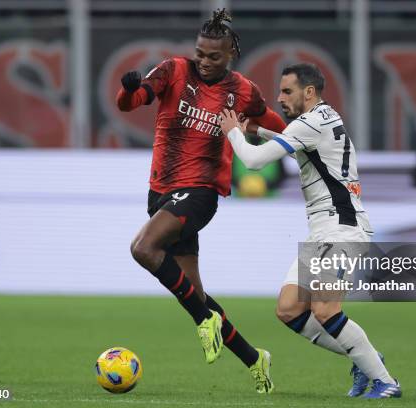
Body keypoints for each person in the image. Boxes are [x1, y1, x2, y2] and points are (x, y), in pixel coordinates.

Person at [116, 9, 286, 393]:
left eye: (214, 56)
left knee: (143, 248)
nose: (205, 62)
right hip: (160, 191)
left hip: (201, 191)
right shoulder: (173, 71)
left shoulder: (242, 90)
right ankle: (255, 358)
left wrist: (306, 135)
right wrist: (128, 89)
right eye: (200, 54)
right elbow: (133, 101)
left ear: (230, 56)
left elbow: (276, 125)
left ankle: (203, 321)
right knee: (194, 293)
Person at [219, 63, 402, 399]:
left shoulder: (310, 123)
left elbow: (256, 162)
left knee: (325, 309)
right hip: (323, 233)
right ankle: (366, 359)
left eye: (287, 91)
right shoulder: (321, 119)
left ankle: (385, 380)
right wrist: (256, 130)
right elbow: (295, 144)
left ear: (309, 92)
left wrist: (232, 130)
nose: (279, 97)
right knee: (289, 308)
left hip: (342, 231)